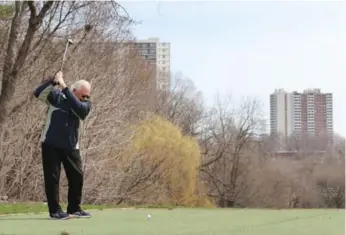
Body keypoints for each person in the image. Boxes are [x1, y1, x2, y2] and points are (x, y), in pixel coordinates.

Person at [33, 71, 92, 220]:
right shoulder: (56, 97)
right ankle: (55, 211)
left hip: (71, 147)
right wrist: (53, 81)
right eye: (83, 95)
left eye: (87, 96)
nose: (86, 98)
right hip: (51, 145)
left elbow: (79, 109)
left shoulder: (84, 105)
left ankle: (74, 208)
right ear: (74, 91)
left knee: (77, 177)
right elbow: (38, 93)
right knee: (52, 179)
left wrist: (64, 85)